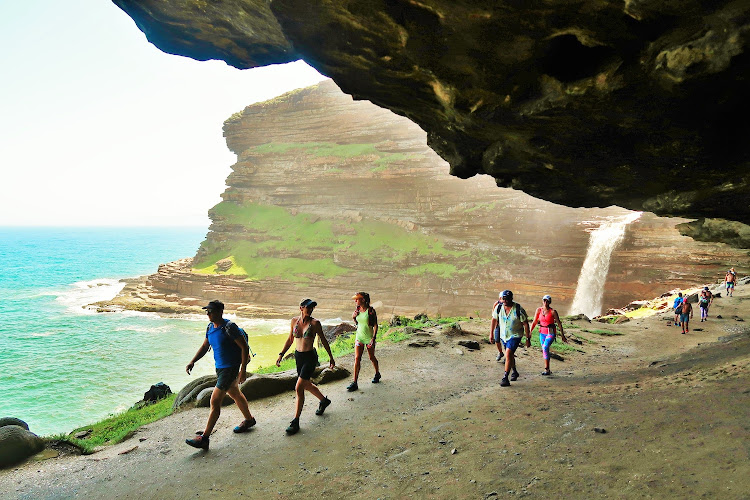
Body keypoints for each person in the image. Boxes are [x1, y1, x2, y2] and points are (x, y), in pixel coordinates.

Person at [185, 300, 256, 450]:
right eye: (207, 311)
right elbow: (205, 346)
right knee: (234, 393)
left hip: (230, 368)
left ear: (220, 312)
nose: (208, 314)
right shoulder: (210, 327)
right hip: (220, 368)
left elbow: (244, 348)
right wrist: (193, 361)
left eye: (211, 311)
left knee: (214, 401)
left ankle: (204, 438)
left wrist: (242, 370)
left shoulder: (230, 327)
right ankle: (249, 420)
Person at [276, 299, 335, 435]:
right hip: (299, 357)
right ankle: (324, 401)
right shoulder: (294, 321)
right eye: (308, 307)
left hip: (310, 357)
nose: (310, 310)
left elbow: (323, 340)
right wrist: (281, 354)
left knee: (299, 387)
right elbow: (291, 339)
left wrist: (331, 357)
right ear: (301, 308)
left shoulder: (315, 323)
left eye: (312, 308)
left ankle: (295, 421)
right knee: (306, 384)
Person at [489, 290, 530, 387]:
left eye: (507, 299)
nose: (505, 301)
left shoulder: (518, 309)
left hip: (515, 335)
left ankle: (505, 377)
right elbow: (494, 320)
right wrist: (491, 334)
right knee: (510, 355)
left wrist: (528, 338)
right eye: (504, 299)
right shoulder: (499, 307)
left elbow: (525, 324)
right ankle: (515, 371)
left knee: (508, 353)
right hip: (504, 335)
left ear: (511, 298)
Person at [347, 292, 381, 391]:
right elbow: (358, 323)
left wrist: (373, 338)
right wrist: (354, 318)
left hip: (369, 337)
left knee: (371, 357)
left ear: (363, 300)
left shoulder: (370, 311)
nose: (355, 301)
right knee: (357, 358)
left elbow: (375, 325)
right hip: (359, 337)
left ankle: (377, 373)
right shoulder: (357, 310)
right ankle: (355, 382)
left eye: (357, 299)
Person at [529, 295, 569, 375]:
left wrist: (562, 335)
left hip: (550, 332)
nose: (545, 302)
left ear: (549, 302)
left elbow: (559, 323)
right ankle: (547, 369)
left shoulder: (553, 312)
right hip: (542, 332)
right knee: (544, 349)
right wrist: (530, 331)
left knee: (545, 347)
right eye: (544, 300)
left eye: (547, 301)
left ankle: (546, 368)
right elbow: (534, 322)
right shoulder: (539, 310)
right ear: (542, 301)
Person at [490, 294, 504, 363]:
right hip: (498, 325)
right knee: (497, 340)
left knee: (506, 342)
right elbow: (494, 315)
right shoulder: (497, 304)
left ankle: (508, 356)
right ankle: (500, 352)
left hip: (506, 327)